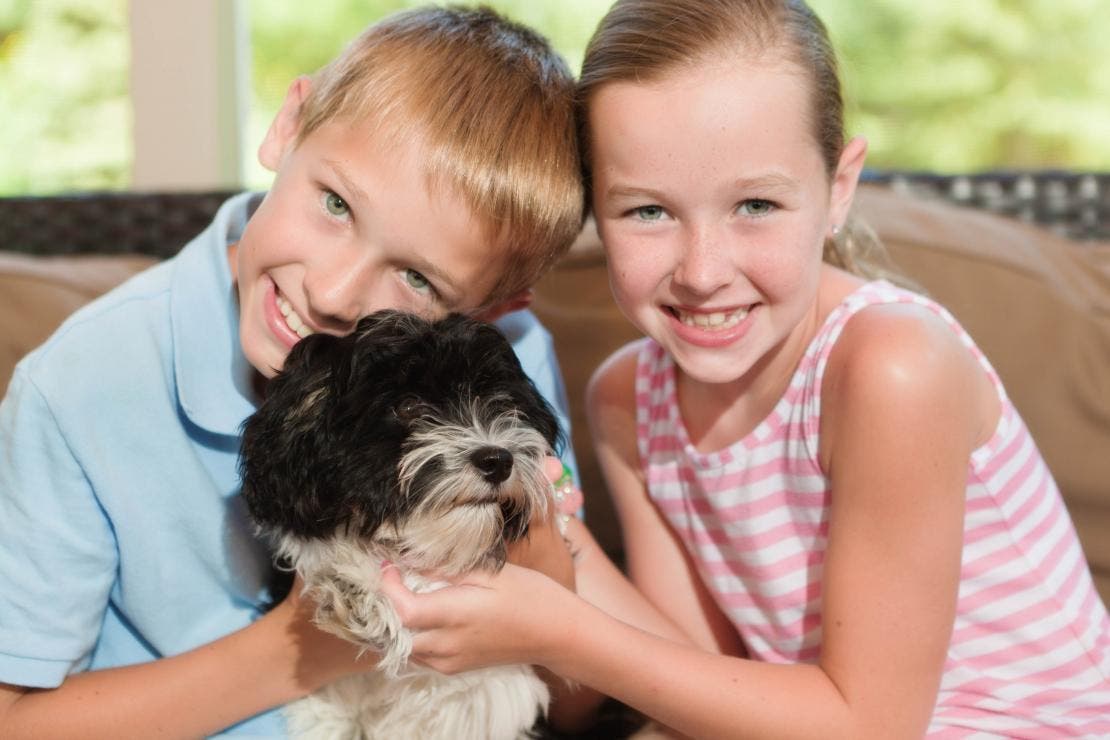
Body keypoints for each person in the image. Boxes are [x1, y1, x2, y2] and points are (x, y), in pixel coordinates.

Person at [379, 1, 1110, 737]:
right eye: (647, 212)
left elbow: (871, 727)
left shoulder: (892, 366)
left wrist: (560, 630)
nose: (702, 272)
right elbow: (697, 677)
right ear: (592, 211)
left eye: (755, 204)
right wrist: (550, 529)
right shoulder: (630, 399)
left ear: (840, 188)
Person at [0, 6, 586, 737]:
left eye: (417, 278)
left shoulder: (507, 360)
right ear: (289, 124)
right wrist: (312, 646)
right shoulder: (83, 384)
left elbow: (570, 695)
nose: (334, 295)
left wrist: (530, 549)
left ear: (495, 311)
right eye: (336, 204)